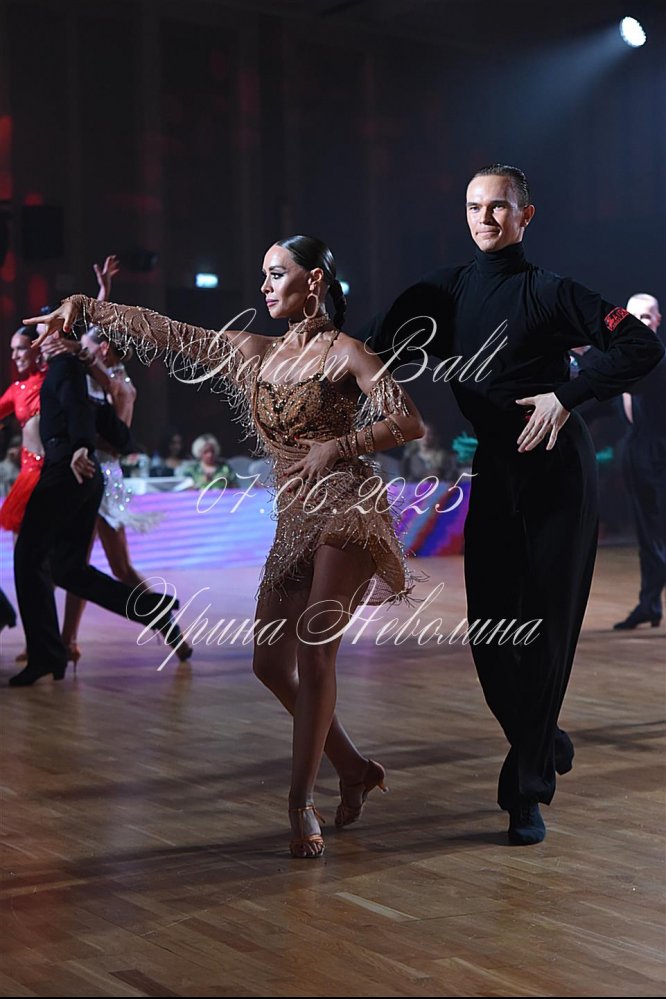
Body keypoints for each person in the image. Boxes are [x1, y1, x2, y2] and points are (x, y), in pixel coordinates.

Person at [27, 234, 427, 859]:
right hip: (293, 518)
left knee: (315, 654)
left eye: (277, 273)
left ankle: (300, 803)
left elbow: (408, 421)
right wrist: (87, 305)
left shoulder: (349, 353)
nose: (264, 286)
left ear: (315, 281)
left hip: (347, 506)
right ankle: (353, 768)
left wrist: (339, 445)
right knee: (268, 664)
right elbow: (172, 334)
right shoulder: (255, 351)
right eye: (263, 275)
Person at [356, 164, 664, 845]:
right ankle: (541, 737)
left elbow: (642, 345)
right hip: (496, 471)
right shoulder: (444, 291)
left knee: (547, 631)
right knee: (491, 633)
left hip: (560, 472)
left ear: (526, 215)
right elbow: (370, 342)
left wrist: (570, 394)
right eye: (474, 206)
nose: (485, 218)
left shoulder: (551, 292)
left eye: (499, 206)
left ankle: (525, 792)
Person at [8, 333, 191, 688]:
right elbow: (111, 426)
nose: (36, 343)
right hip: (91, 477)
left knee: (31, 560)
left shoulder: (69, 368)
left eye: (44, 334)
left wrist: (79, 445)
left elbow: (80, 410)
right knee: (70, 569)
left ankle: (50, 652)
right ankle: (147, 608)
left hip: (69, 470)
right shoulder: (88, 374)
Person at [60, 322, 162, 668]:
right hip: (105, 473)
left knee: (102, 567)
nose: (84, 350)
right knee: (102, 566)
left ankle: (162, 619)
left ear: (103, 349)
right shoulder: (120, 382)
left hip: (100, 476)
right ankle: (68, 641)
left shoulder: (117, 385)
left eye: (89, 346)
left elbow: (88, 358)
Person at [614, 294, 665, 629]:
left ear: (658, 320)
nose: (641, 323)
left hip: (661, 456)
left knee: (659, 536)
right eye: (634, 317)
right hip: (636, 456)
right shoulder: (625, 359)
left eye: (646, 317)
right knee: (647, 537)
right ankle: (649, 605)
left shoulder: (657, 360)